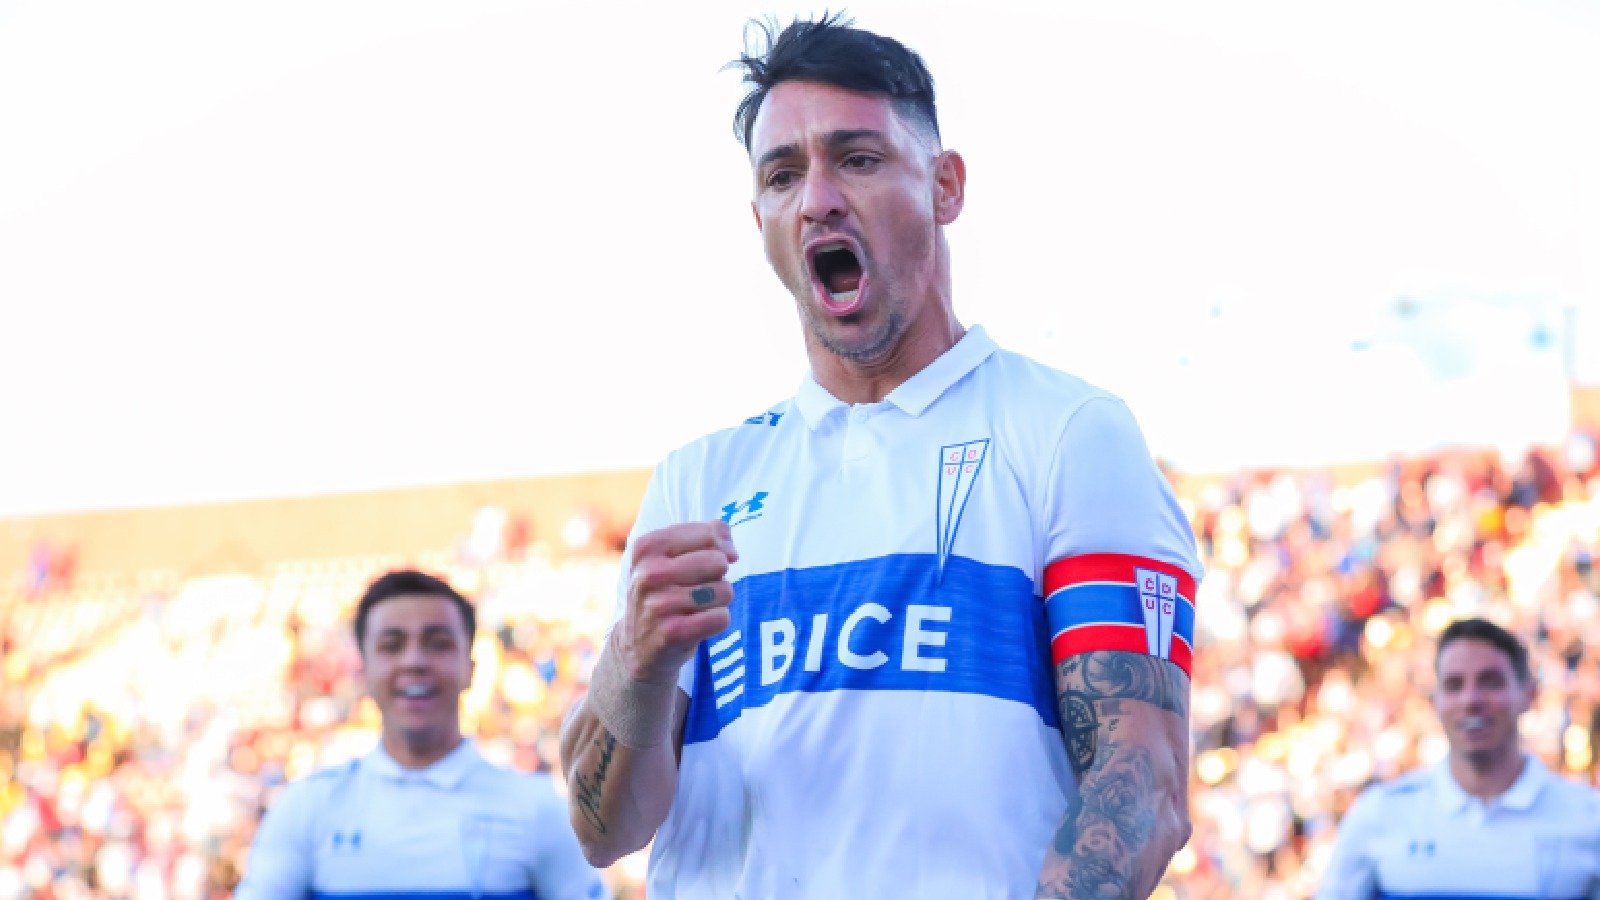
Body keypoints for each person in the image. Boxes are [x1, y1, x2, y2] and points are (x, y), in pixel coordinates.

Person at [558, 14, 1201, 899]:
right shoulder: (699, 479)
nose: (817, 196)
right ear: (762, 221)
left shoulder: (1066, 431)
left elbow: (1142, 786)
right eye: (784, 175)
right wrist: (636, 660)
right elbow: (602, 831)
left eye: (855, 158)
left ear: (945, 186)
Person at [237, 570, 608, 900]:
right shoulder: (306, 808)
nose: (414, 661)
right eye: (391, 645)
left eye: (437, 643)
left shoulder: (537, 807)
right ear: (363, 670)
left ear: (471, 669)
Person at [1317, 618, 1600, 899]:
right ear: (1435, 700)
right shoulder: (1379, 814)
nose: (1471, 700)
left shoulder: (1588, 820)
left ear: (1528, 694)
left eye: (1490, 682)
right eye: (1454, 684)